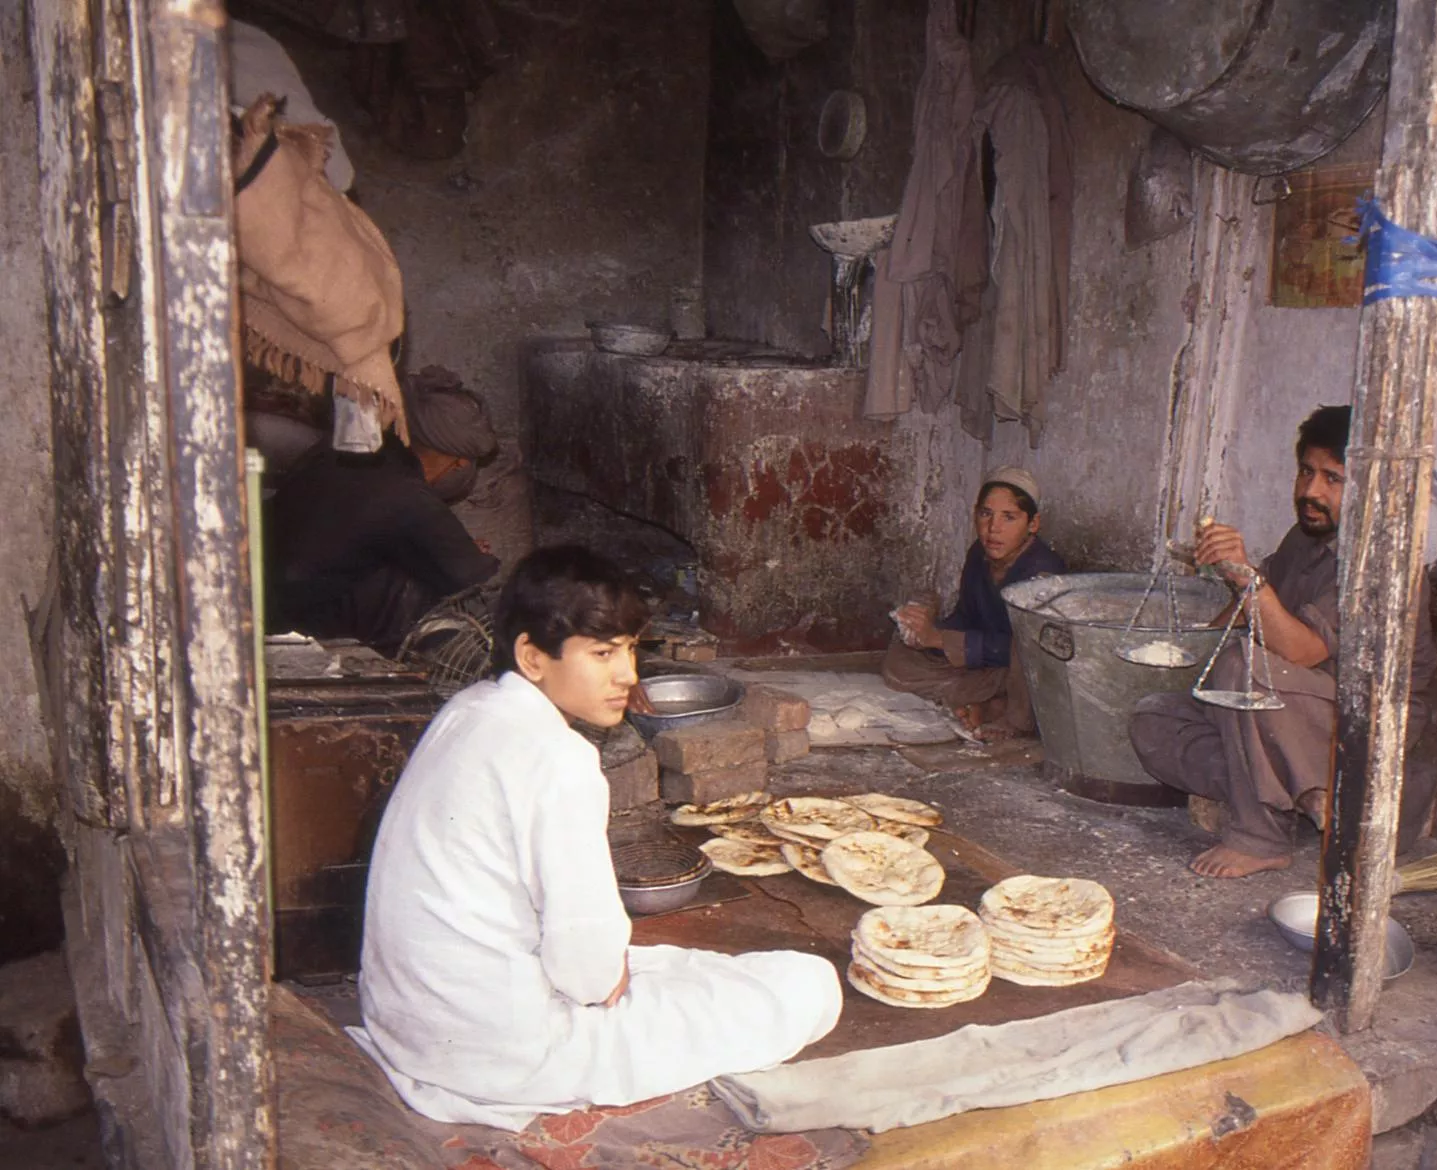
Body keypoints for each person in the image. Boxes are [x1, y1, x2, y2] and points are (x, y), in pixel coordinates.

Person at [349, 546, 842, 1130]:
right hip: (509, 1052)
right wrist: (604, 974)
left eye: (630, 648)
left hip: (405, 1023)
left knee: (691, 969)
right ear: (532, 657)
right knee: (809, 986)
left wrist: (605, 968)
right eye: (603, 653)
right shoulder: (559, 759)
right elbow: (589, 977)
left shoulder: (468, 708)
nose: (628, 674)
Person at [1128, 406, 1437, 879]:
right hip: (1287, 709)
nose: (1311, 491)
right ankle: (1308, 796)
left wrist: (1245, 578)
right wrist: (1191, 645)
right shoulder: (1305, 537)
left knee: (1242, 668)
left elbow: (1301, 650)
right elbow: (1249, 608)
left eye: (1333, 479)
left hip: (1364, 721)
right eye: (1307, 472)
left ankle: (1263, 836)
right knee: (1153, 719)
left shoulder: (1380, 561)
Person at [264, 375, 502, 654]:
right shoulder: (407, 495)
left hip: (263, 593)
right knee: (427, 597)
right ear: (459, 462)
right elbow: (472, 576)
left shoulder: (340, 451)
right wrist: (468, 557)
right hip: (297, 620)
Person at [883, 467, 1067, 738]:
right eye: (986, 514)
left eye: (1009, 517)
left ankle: (1009, 716)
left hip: (1023, 673)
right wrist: (926, 631)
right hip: (987, 667)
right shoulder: (979, 555)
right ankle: (988, 703)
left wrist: (941, 640)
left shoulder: (1043, 573)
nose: (994, 528)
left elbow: (1031, 649)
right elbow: (966, 616)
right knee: (899, 663)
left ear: (1033, 524)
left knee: (1026, 659)